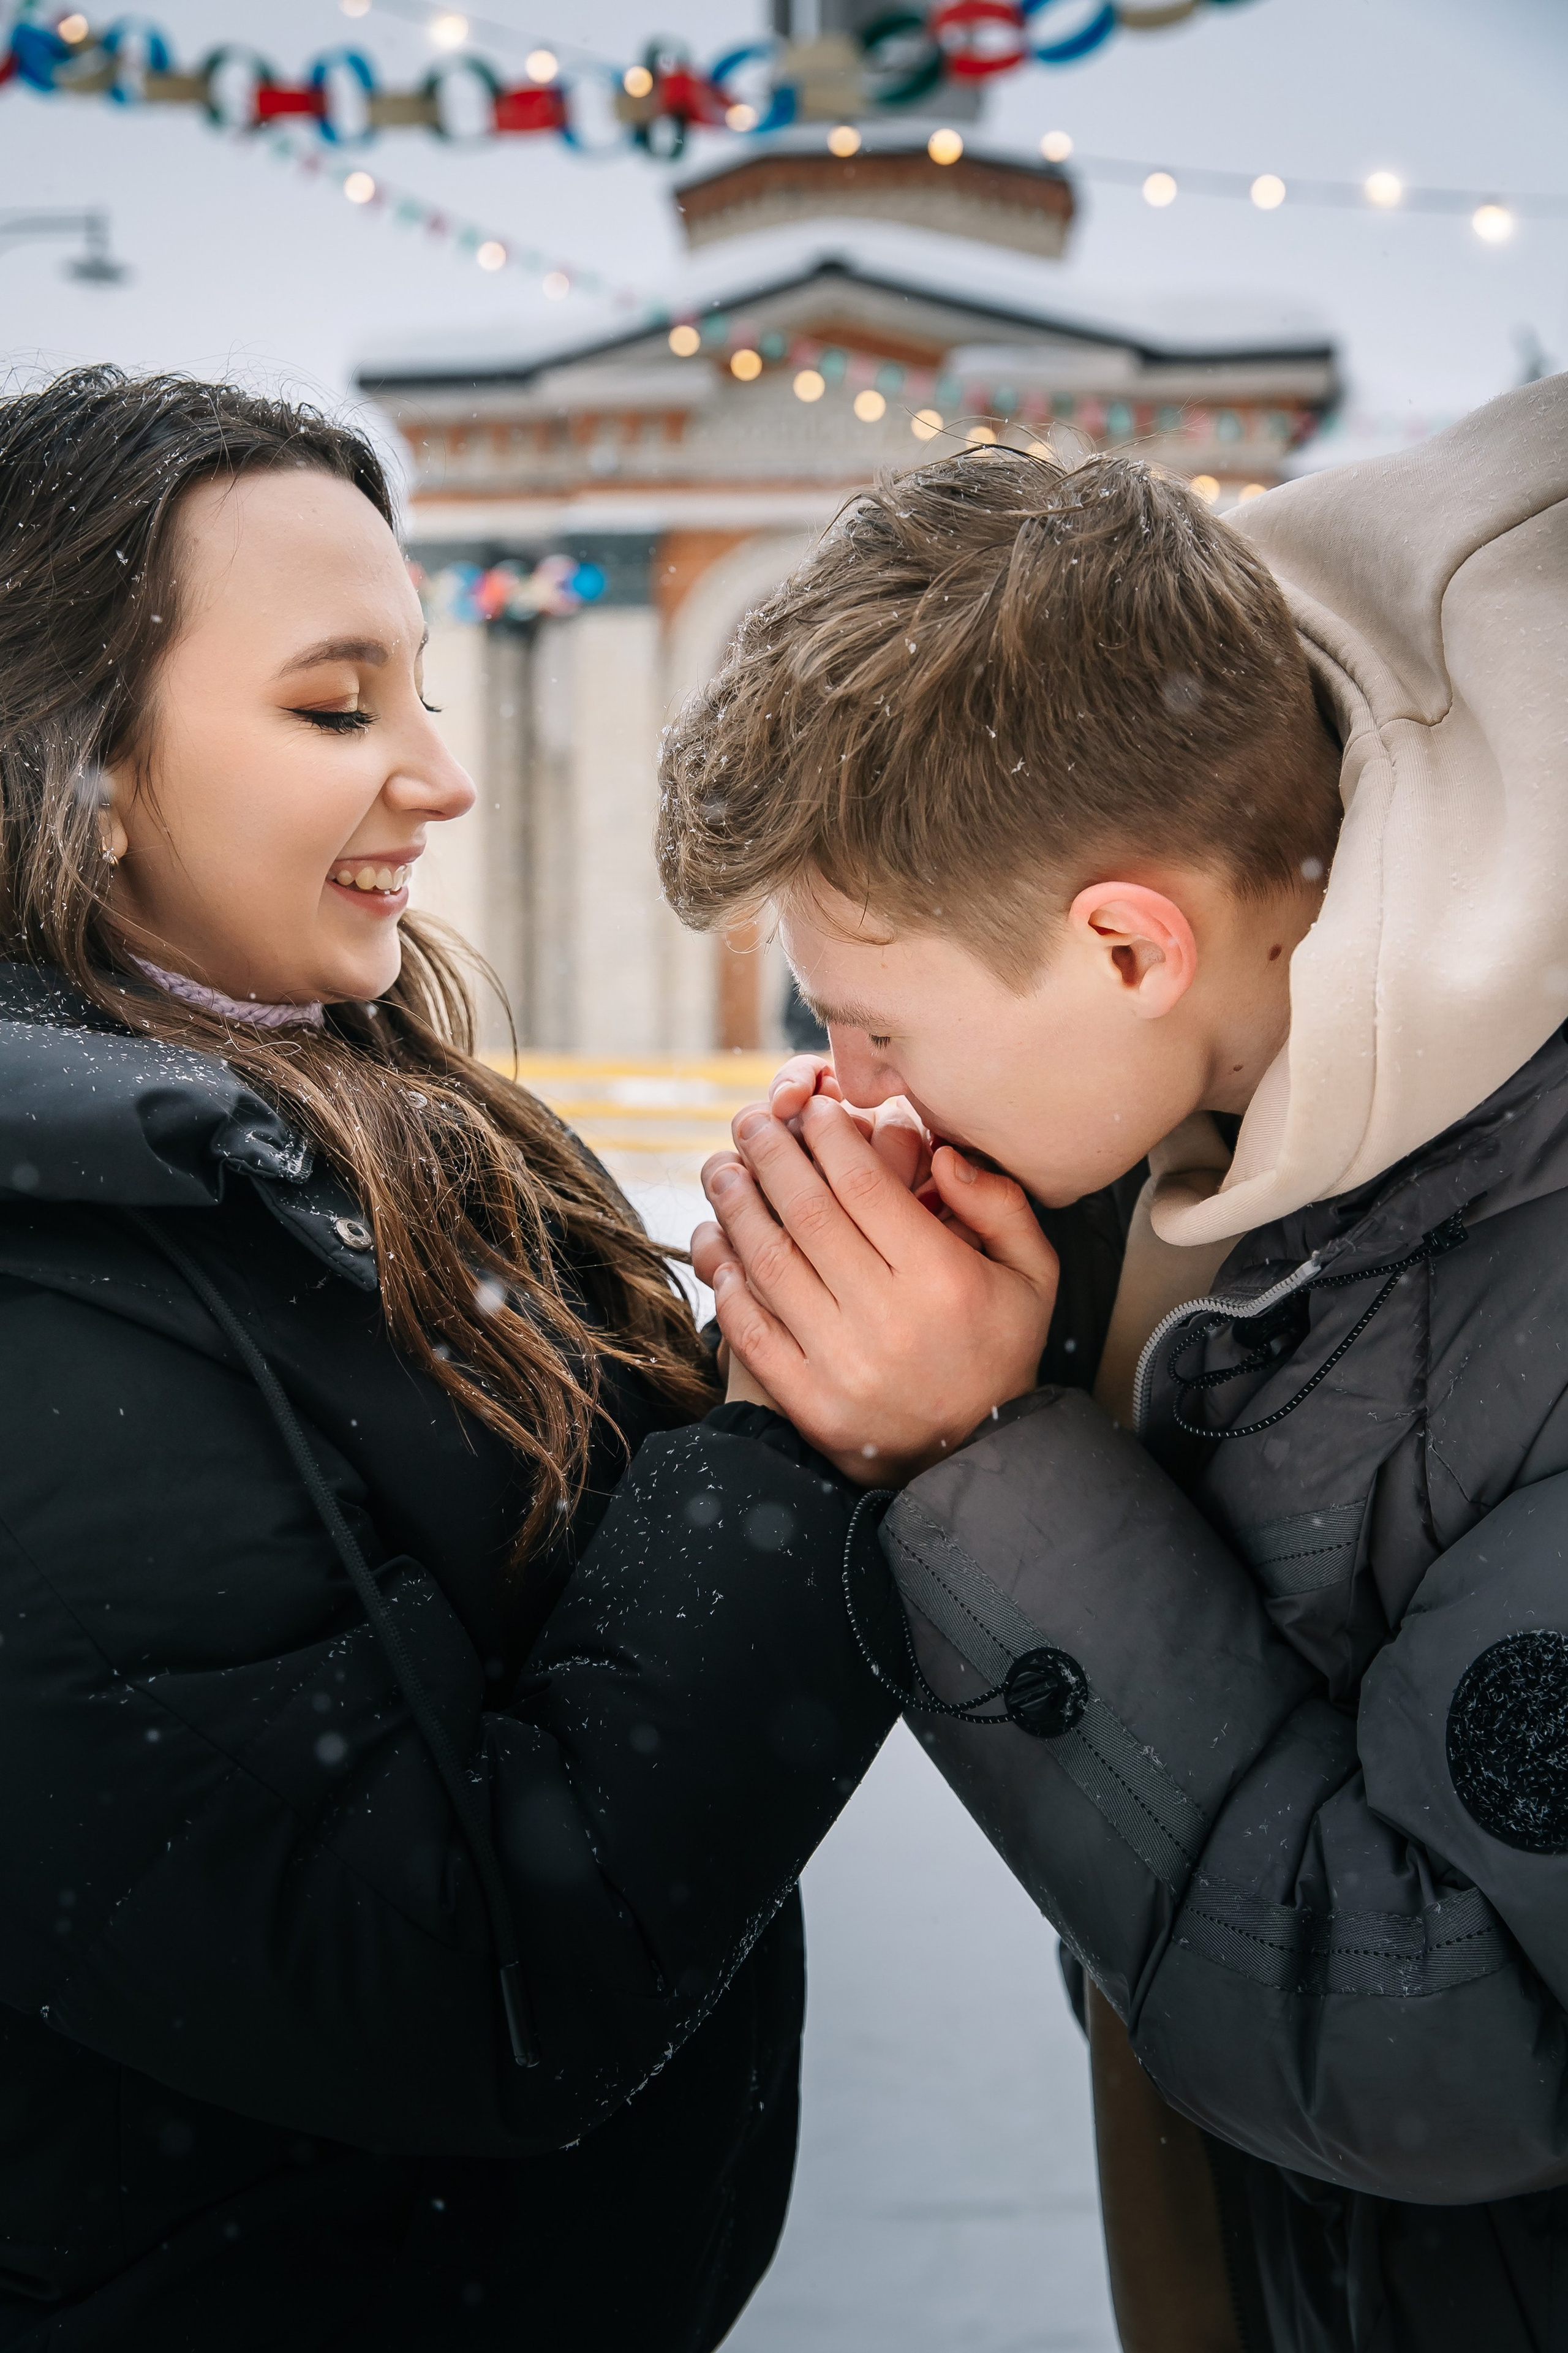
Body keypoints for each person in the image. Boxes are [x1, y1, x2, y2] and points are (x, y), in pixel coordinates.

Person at [0, 366, 981, 2353]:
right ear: (81, 767)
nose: (438, 776)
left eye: (424, 688)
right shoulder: (50, 1289)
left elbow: (546, 1605)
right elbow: (450, 1981)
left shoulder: (339, 1112)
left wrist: (833, 1295)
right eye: (335, 705)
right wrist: (805, 1445)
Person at [657, 376, 1568, 2352]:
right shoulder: (1168, 1102)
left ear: (1134, 948)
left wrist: (978, 1450)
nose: (846, 1088)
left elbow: (1457, 2028)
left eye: (881, 1023)